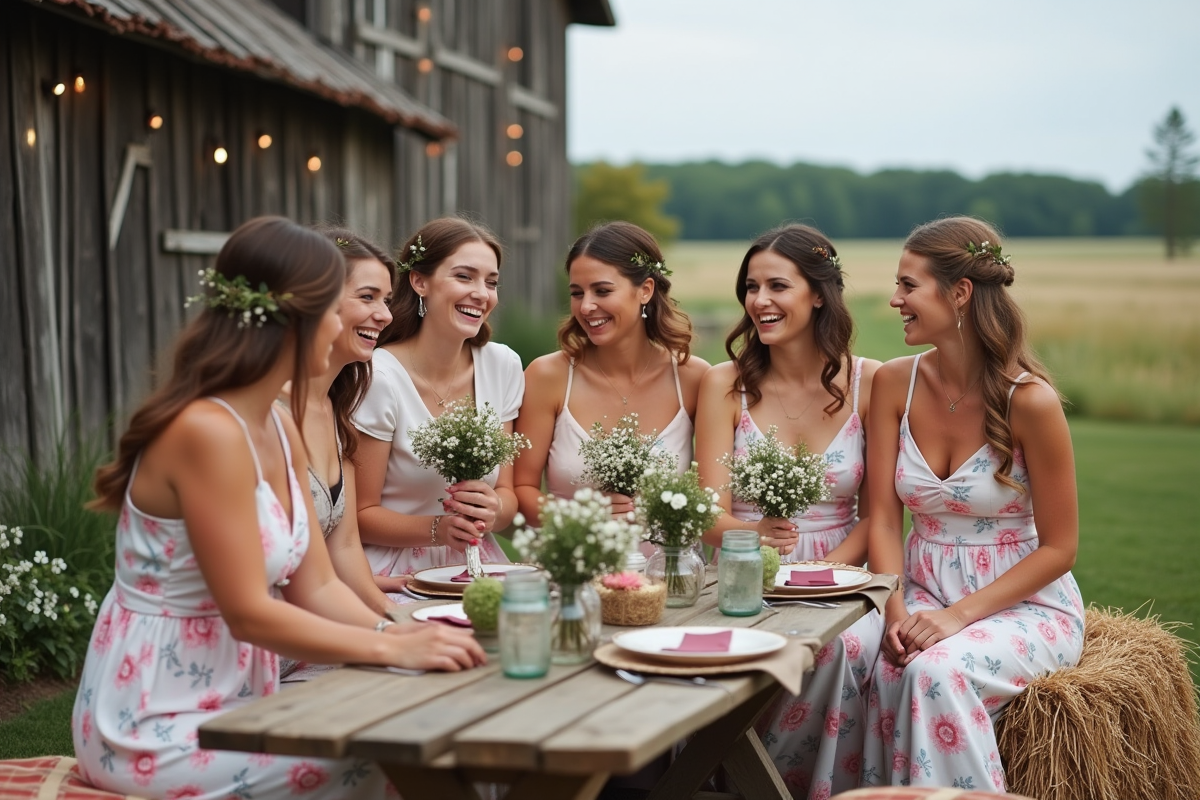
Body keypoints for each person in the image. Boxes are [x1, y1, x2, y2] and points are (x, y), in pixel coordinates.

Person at [72, 216, 485, 799]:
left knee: (430, 719)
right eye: (336, 308)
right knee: (388, 761)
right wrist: (391, 647)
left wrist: (405, 633)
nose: (357, 323)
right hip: (155, 719)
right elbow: (248, 613)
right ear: (289, 320)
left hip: (241, 697)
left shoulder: (275, 426)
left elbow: (315, 587)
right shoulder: (207, 431)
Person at [860, 217, 1084, 791]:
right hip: (918, 586)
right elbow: (884, 517)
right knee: (851, 654)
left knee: (934, 671)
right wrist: (894, 608)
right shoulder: (893, 382)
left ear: (959, 293)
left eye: (908, 285)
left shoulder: (1030, 402)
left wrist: (956, 618)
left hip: (1024, 604)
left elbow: (1061, 547)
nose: (895, 299)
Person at [693, 224, 881, 799]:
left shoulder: (871, 382)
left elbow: (878, 516)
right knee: (728, 647)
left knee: (838, 647)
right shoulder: (724, 384)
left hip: (843, 570)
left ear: (819, 293)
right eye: (751, 287)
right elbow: (708, 513)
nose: (759, 301)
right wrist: (754, 541)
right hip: (746, 568)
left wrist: (822, 575)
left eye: (778, 285)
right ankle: (725, 780)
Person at [355, 218, 522, 578]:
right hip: (394, 569)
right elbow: (359, 514)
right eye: (464, 277)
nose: (482, 293)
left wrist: (494, 510)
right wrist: (437, 530)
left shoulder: (503, 366)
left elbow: (507, 495)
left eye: (491, 282)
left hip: (475, 562)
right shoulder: (378, 376)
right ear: (420, 281)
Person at [514, 221, 708, 525]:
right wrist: (582, 517)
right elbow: (521, 488)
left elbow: (714, 496)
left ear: (645, 290)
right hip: (574, 566)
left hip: (669, 567)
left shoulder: (693, 378)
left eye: (602, 291)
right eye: (577, 293)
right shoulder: (547, 376)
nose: (587, 306)